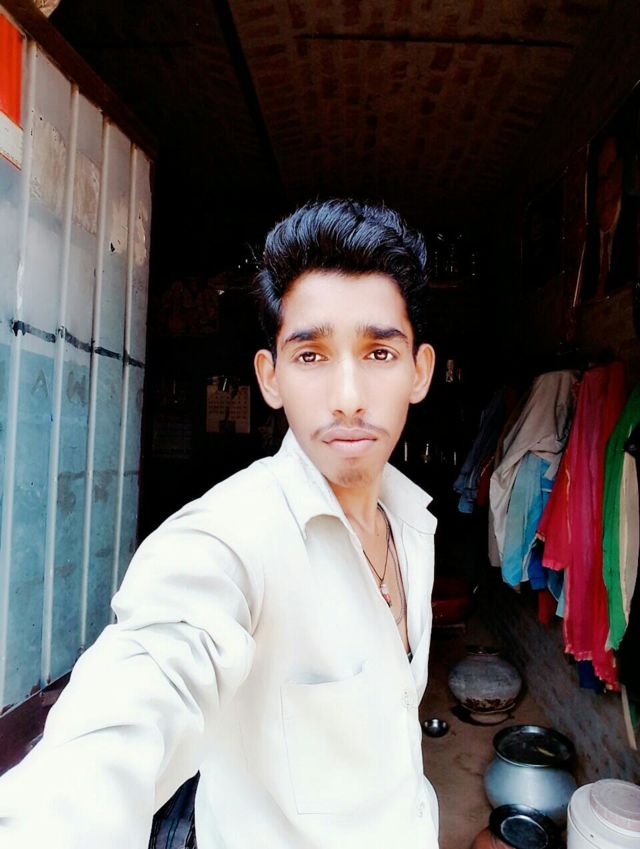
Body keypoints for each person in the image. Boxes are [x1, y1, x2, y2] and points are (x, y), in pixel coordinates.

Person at [0, 198, 439, 849]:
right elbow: (128, 710)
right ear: (270, 378)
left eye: (378, 353)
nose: (348, 397)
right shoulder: (229, 536)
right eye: (311, 356)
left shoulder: (412, 524)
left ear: (419, 372)